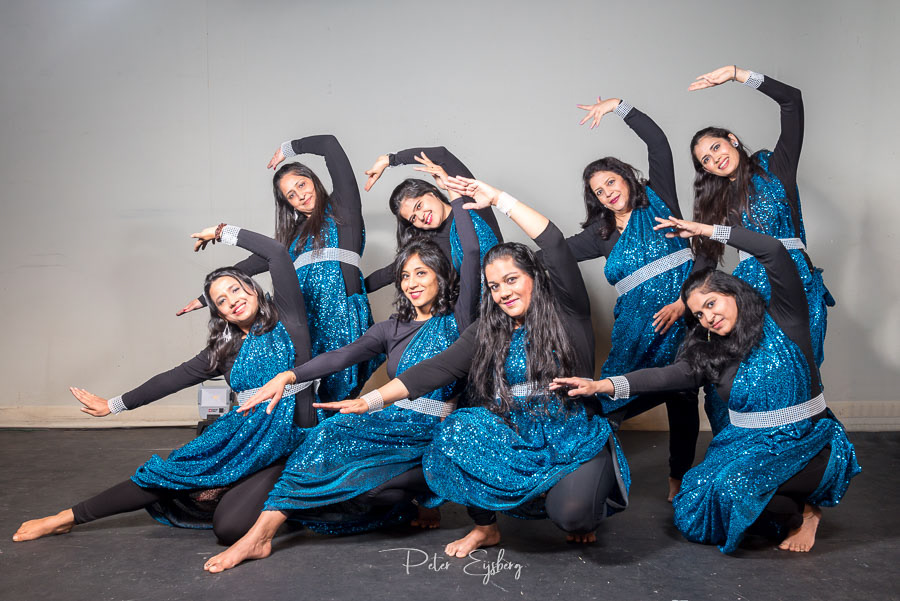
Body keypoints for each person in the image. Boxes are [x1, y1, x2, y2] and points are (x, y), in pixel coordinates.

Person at [298, 177, 630, 560]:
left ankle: (581, 493)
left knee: (573, 516)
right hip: (518, 435)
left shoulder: (568, 312)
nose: (503, 292)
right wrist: (370, 401)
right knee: (458, 427)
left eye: (511, 280)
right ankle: (485, 527)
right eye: (494, 286)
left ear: (535, 277)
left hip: (571, 436)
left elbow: (553, 242)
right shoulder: (489, 328)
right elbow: (436, 368)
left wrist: (499, 199)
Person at [554, 217, 859, 554]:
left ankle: (805, 514)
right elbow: (665, 376)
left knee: (735, 488)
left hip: (808, 441)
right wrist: (601, 386)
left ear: (733, 292)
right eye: (699, 314)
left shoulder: (787, 318)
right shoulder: (713, 353)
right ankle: (781, 503)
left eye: (711, 303)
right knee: (693, 504)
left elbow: (773, 251)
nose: (708, 317)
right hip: (750, 444)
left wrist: (707, 231)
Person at [13, 225, 318, 545]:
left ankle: (276, 491)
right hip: (245, 439)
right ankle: (66, 518)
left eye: (235, 289)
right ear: (220, 314)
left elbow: (276, 253)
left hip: (293, 443)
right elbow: (172, 379)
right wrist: (113, 405)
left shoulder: (290, 320)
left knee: (229, 528)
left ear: (253, 288)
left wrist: (221, 231)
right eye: (221, 300)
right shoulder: (223, 350)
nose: (233, 301)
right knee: (173, 473)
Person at [201, 228, 484, 573]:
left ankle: (425, 496)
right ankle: (260, 536)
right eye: (404, 276)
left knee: (381, 490)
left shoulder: (461, 320)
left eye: (420, 273)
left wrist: (460, 197)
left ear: (440, 275)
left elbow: (472, 253)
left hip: (435, 430)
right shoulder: (391, 328)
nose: (411, 283)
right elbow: (341, 356)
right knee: (327, 433)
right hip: (390, 421)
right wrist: (289, 376)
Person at [177, 134, 380, 404]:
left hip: (341, 316)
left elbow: (329, 144)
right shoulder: (293, 237)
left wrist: (288, 149)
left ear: (313, 180)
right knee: (301, 389)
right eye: (291, 195)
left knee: (338, 389)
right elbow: (250, 265)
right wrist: (206, 297)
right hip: (302, 320)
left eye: (302, 184)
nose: (301, 195)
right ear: (288, 204)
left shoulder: (344, 209)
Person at [567, 95, 699, 500]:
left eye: (611, 182)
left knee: (683, 395)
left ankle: (678, 477)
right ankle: (594, 481)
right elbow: (551, 253)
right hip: (633, 335)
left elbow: (658, 143)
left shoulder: (660, 202)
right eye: (598, 191)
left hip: (684, 320)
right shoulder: (600, 235)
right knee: (608, 404)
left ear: (626, 177)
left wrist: (618, 107)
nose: (607, 192)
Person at [688, 65, 833, 372]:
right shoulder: (717, 202)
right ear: (706, 170)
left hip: (795, 281)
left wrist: (737, 74)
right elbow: (706, 257)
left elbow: (792, 101)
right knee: (755, 370)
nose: (716, 159)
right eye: (706, 160)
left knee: (799, 367)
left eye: (716, 147)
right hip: (749, 290)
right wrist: (683, 300)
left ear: (732, 140)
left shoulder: (775, 168)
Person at [362, 145, 502, 292]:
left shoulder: (470, 199)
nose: (421, 217)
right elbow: (387, 274)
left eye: (419, 206)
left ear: (432, 192)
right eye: (413, 218)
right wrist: (350, 291)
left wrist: (389, 160)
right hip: (475, 306)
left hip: (510, 293)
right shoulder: (429, 246)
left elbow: (442, 155)